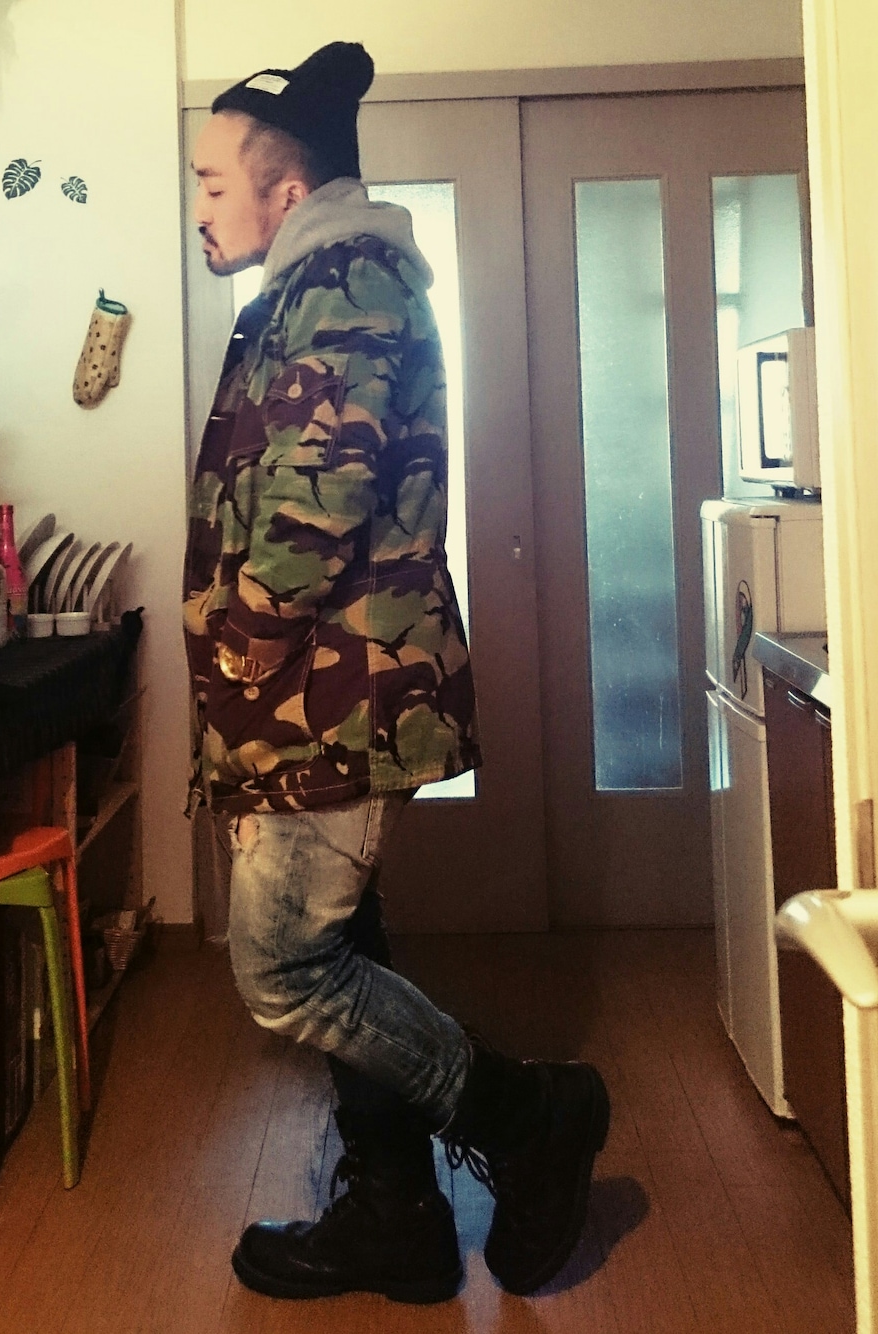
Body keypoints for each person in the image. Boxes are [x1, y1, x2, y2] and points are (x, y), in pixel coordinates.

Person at [182, 41, 610, 1304]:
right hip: (311, 691)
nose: (198, 206)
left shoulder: (345, 278)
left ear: (284, 187)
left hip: (328, 691)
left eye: (212, 183)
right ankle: (396, 1215)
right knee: (343, 937)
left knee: (286, 966)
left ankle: (528, 1113)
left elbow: (318, 498)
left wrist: (238, 652)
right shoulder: (311, 285)